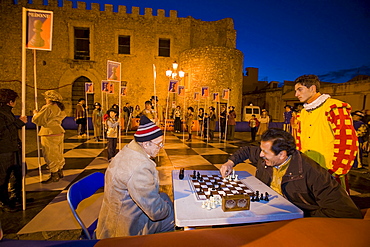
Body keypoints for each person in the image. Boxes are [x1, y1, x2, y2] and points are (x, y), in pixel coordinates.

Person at [219, 128, 362, 218]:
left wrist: (301, 214)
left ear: (282, 155)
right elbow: (247, 150)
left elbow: (347, 212)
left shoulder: (312, 172)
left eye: (265, 152)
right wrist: (230, 162)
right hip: (265, 206)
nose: (260, 155)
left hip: (289, 217)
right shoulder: (269, 155)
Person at [96, 115, 174, 238]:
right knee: (174, 216)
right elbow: (156, 212)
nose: (161, 148)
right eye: (159, 144)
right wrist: (171, 209)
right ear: (146, 144)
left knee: (164, 197)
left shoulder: (129, 150)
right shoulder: (140, 168)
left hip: (113, 216)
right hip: (124, 229)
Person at [294, 75, 358, 192]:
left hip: (329, 172)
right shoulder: (303, 113)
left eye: (300, 89)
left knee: (334, 207)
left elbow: (347, 141)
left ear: (312, 88)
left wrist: (336, 171)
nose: (296, 94)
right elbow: (300, 142)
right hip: (308, 170)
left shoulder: (334, 108)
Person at [0, 89, 27, 212]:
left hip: (13, 148)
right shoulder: (1, 113)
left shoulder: (7, 113)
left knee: (19, 171)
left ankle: (16, 196)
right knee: (3, 177)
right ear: (10, 102)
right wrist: (19, 123)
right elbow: (3, 131)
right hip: (4, 150)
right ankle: (4, 202)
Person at [32, 90, 66, 184]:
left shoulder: (48, 107)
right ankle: (59, 171)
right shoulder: (59, 108)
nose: (45, 99)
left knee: (50, 153)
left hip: (48, 132)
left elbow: (39, 120)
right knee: (58, 152)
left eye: (46, 97)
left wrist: (35, 113)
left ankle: (54, 174)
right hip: (58, 131)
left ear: (51, 99)